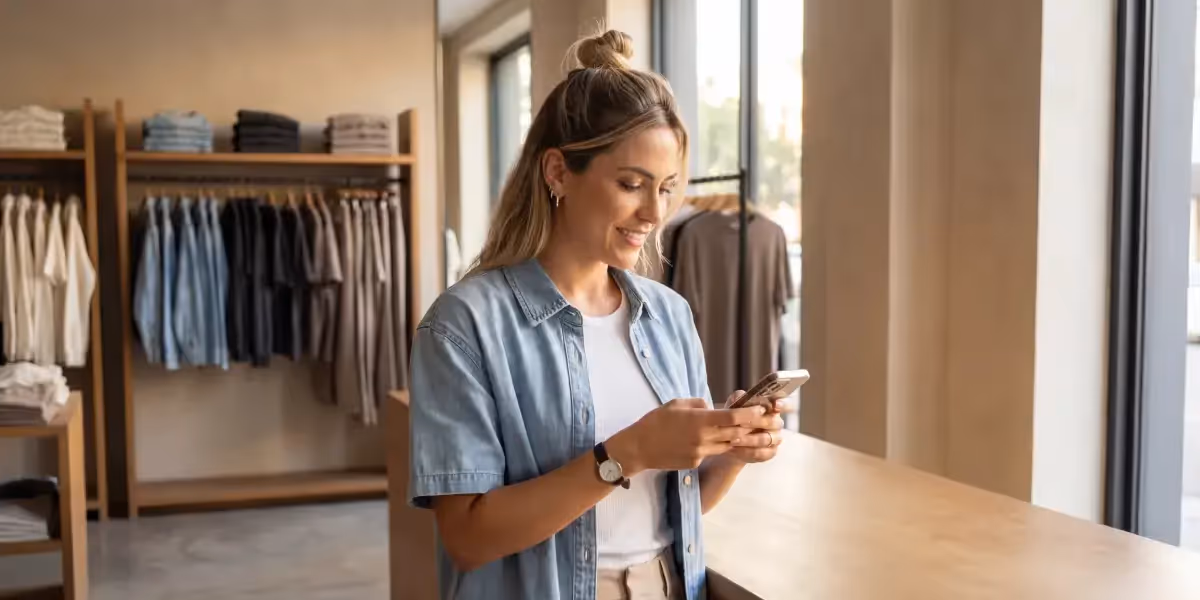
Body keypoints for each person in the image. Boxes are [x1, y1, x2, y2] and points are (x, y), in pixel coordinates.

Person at [408, 30, 787, 600]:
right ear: (558, 172)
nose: (654, 213)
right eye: (631, 184)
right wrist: (627, 451)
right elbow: (467, 536)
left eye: (667, 188)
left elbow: (671, 511)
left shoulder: (668, 315)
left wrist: (730, 456)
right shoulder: (464, 326)